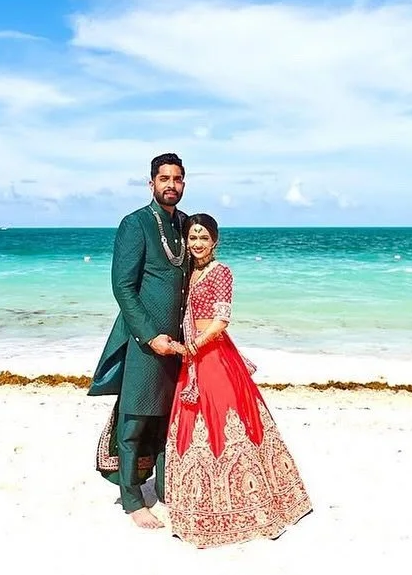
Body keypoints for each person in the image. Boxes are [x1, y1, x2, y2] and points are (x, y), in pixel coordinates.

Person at [164, 213, 312, 548]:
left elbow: (221, 321)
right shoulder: (189, 273)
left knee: (226, 420)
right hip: (192, 357)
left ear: (215, 240)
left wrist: (193, 346)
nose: (198, 244)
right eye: (192, 238)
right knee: (191, 424)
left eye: (204, 238)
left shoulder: (222, 272)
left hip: (214, 355)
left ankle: (251, 506)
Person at [89, 153, 190, 529]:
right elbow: (123, 287)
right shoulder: (135, 224)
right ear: (151, 183)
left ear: (184, 183)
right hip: (144, 339)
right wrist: (150, 336)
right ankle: (133, 501)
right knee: (135, 419)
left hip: (179, 343)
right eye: (163, 178)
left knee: (168, 421)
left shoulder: (184, 225)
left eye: (177, 179)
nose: (170, 185)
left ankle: (165, 491)